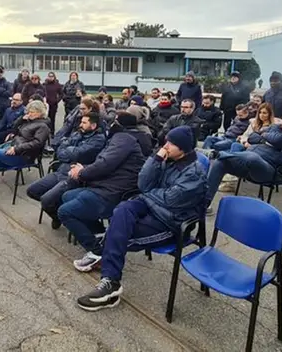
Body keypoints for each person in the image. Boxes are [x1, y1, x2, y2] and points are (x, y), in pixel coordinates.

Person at [76, 126, 207, 311]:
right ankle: (110, 278)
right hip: (151, 206)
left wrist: (148, 193)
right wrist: (155, 159)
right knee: (122, 209)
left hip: (170, 221)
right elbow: (143, 183)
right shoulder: (166, 159)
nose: (165, 146)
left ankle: (106, 269)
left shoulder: (194, 173)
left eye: (171, 143)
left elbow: (170, 199)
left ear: (183, 149)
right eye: (166, 141)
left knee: (118, 233)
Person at [61, 111, 149, 272]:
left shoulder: (124, 139)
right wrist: (84, 169)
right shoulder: (123, 138)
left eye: (115, 121)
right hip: (107, 185)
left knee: (65, 212)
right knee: (67, 196)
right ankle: (100, 235)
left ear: (120, 124)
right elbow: (103, 163)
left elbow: (105, 163)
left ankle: (98, 252)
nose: (111, 124)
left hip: (113, 192)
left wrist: (81, 172)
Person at [206, 105, 282, 200]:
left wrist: (264, 136)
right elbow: (252, 137)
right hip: (252, 166)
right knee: (220, 163)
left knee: (251, 157)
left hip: (273, 171)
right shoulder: (277, 127)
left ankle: (218, 153)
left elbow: (279, 140)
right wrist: (267, 139)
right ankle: (204, 203)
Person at [30, 111, 107, 228]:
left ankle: (62, 213)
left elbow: (76, 154)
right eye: (81, 122)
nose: (81, 124)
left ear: (93, 126)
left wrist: (67, 149)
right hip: (61, 170)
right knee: (32, 190)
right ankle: (58, 214)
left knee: (46, 200)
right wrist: (67, 150)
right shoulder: (79, 133)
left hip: (74, 177)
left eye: (84, 122)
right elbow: (60, 147)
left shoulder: (98, 140)